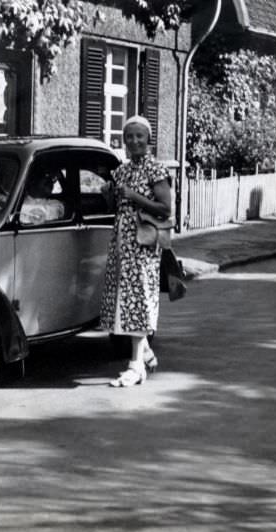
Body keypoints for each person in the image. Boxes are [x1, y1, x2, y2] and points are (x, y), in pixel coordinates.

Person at [100, 115, 173, 387]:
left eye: (139, 136)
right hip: (122, 241)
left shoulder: (156, 169)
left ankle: (136, 366)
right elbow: (113, 207)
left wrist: (134, 196)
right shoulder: (122, 170)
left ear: (148, 139)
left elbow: (166, 209)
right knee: (123, 298)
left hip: (143, 244)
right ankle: (145, 354)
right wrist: (110, 194)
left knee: (138, 298)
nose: (134, 141)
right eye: (129, 136)